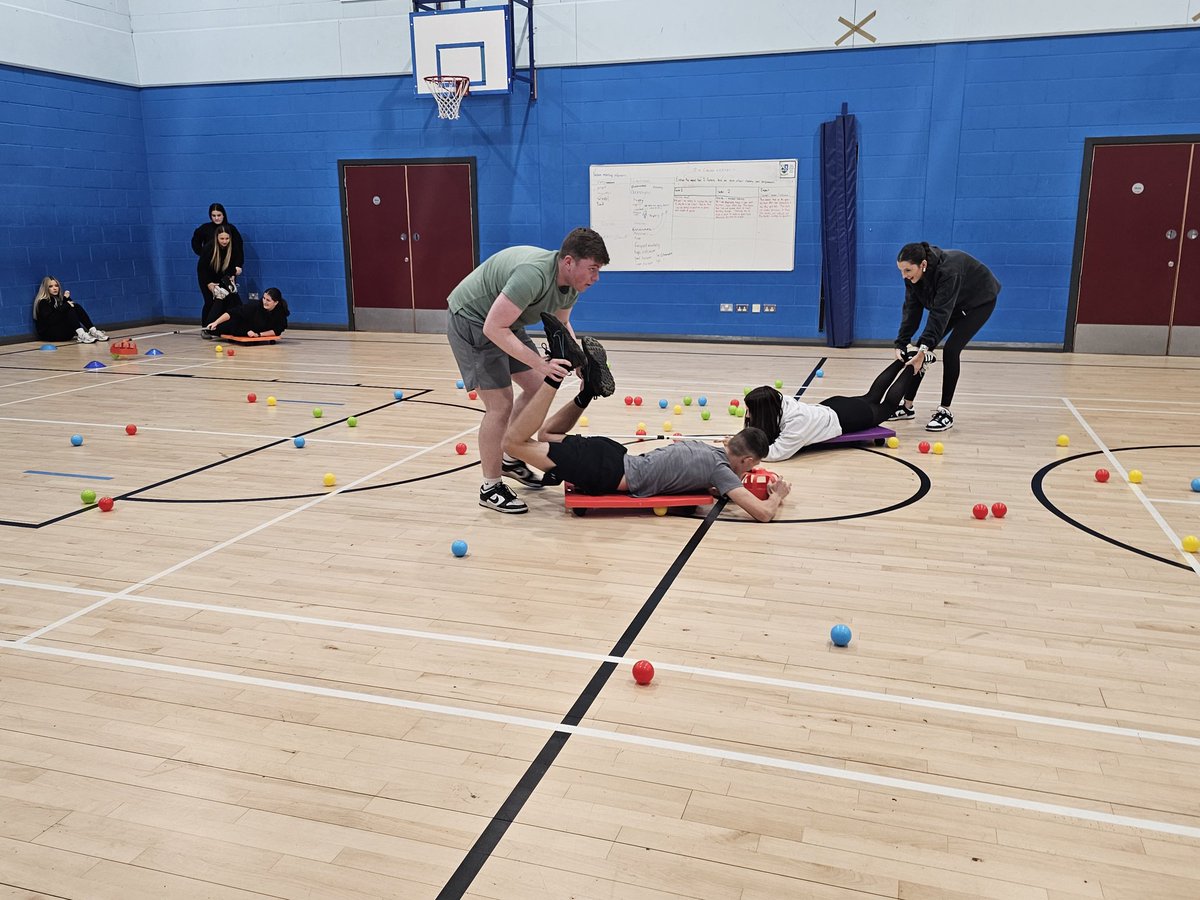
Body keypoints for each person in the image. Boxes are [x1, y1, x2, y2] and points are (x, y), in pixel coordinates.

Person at [502, 319, 790, 522]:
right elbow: (763, 514)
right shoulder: (722, 472)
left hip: (611, 454)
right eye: (752, 465)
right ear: (747, 459)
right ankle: (558, 370)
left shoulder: (711, 450)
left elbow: (706, 479)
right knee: (513, 443)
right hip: (604, 470)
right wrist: (777, 495)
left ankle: (588, 391)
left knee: (546, 435)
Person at [447, 227, 613, 514]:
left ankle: (509, 456)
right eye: (593, 269)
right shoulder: (532, 275)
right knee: (500, 405)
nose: (596, 277)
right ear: (569, 262)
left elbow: (562, 325)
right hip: (472, 319)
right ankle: (490, 487)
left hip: (505, 323)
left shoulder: (571, 287)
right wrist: (541, 363)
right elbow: (492, 328)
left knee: (538, 387)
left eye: (599, 270)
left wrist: (581, 365)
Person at [889, 242, 1001, 431]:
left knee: (951, 350)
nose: (904, 275)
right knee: (918, 350)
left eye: (907, 270)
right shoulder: (912, 277)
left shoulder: (949, 271)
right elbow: (911, 309)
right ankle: (907, 406)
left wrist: (924, 349)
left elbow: (940, 312)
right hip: (954, 303)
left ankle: (945, 411)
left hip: (979, 302)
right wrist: (902, 342)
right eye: (901, 270)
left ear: (923, 264)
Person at [744, 355, 931, 461]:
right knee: (871, 396)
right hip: (833, 405)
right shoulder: (779, 401)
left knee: (887, 406)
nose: (747, 414)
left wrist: (745, 452)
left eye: (750, 410)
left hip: (847, 417)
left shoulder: (796, 425)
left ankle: (912, 366)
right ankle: (902, 358)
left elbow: (777, 454)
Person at [31, 277, 108, 344]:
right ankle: (81, 334)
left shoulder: (58, 299)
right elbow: (51, 319)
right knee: (69, 307)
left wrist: (66, 299)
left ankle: (93, 331)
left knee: (75, 306)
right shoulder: (43, 302)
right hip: (50, 334)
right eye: (50, 286)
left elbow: (70, 310)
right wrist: (66, 304)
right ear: (45, 288)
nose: (55, 288)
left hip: (64, 333)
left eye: (56, 286)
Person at [197, 225, 242, 335]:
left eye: (227, 238)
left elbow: (233, 265)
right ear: (216, 237)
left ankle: (223, 327)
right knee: (209, 302)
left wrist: (233, 275)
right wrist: (209, 284)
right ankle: (205, 328)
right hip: (207, 278)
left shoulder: (233, 247)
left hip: (223, 276)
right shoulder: (209, 248)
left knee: (228, 300)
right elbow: (202, 269)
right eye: (222, 238)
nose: (224, 241)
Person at [204, 287, 288, 340]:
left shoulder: (280, 313)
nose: (264, 302)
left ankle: (229, 293)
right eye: (264, 298)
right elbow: (232, 313)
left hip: (248, 330)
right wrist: (216, 322)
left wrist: (259, 335)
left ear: (276, 302)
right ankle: (219, 297)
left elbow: (277, 330)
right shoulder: (255, 306)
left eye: (268, 300)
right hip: (236, 324)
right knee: (210, 328)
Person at [191, 203, 244, 275]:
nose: (216, 218)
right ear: (210, 216)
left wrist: (238, 265)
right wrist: (203, 254)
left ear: (223, 215)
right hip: (210, 265)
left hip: (228, 265)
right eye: (213, 215)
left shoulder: (231, 229)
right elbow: (195, 241)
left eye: (219, 215)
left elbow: (238, 248)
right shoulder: (205, 228)